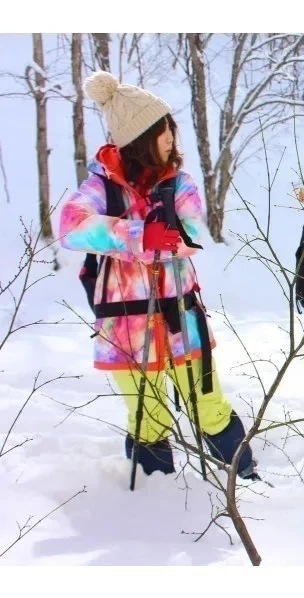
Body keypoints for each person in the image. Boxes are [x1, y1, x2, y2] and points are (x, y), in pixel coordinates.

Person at [59, 71, 256, 480]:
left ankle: (246, 481)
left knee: (210, 406)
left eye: (173, 130)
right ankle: (158, 501)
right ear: (144, 135)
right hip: (126, 326)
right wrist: (137, 234)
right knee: (149, 418)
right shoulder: (103, 185)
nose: (172, 139)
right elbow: (70, 226)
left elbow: (190, 234)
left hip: (182, 318)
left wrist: (158, 235)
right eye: (166, 130)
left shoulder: (178, 183)